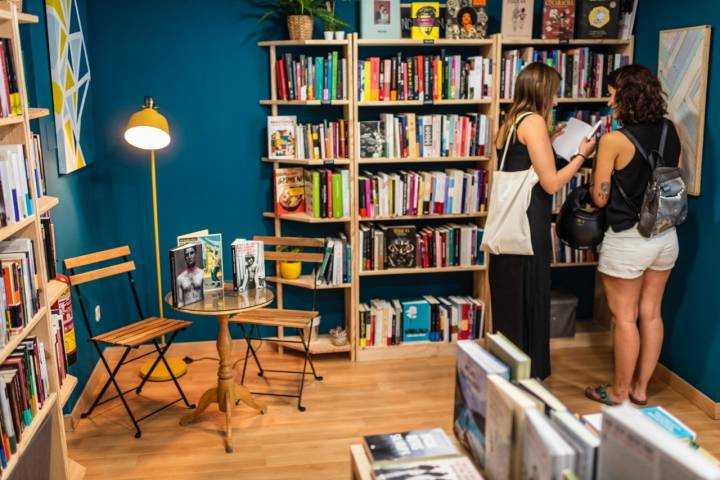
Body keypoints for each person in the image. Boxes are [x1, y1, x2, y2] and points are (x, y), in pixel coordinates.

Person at [489, 62, 596, 379]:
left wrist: (550, 138)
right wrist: (581, 156)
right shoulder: (533, 122)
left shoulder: (511, 121)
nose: (557, 101)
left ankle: (510, 369)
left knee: (510, 297)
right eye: (554, 93)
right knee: (530, 293)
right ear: (542, 90)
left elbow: (523, 162)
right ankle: (529, 374)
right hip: (528, 222)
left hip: (509, 226)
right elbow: (550, 183)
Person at [585, 65, 681, 405]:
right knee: (651, 313)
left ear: (624, 97)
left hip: (628, 238)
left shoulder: (613, 140)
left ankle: (618, 391)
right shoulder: (670, 129)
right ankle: (641, 390)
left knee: (624, 318)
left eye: (613, 92)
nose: (609, 98)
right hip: (665, 235)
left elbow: (599, 197)